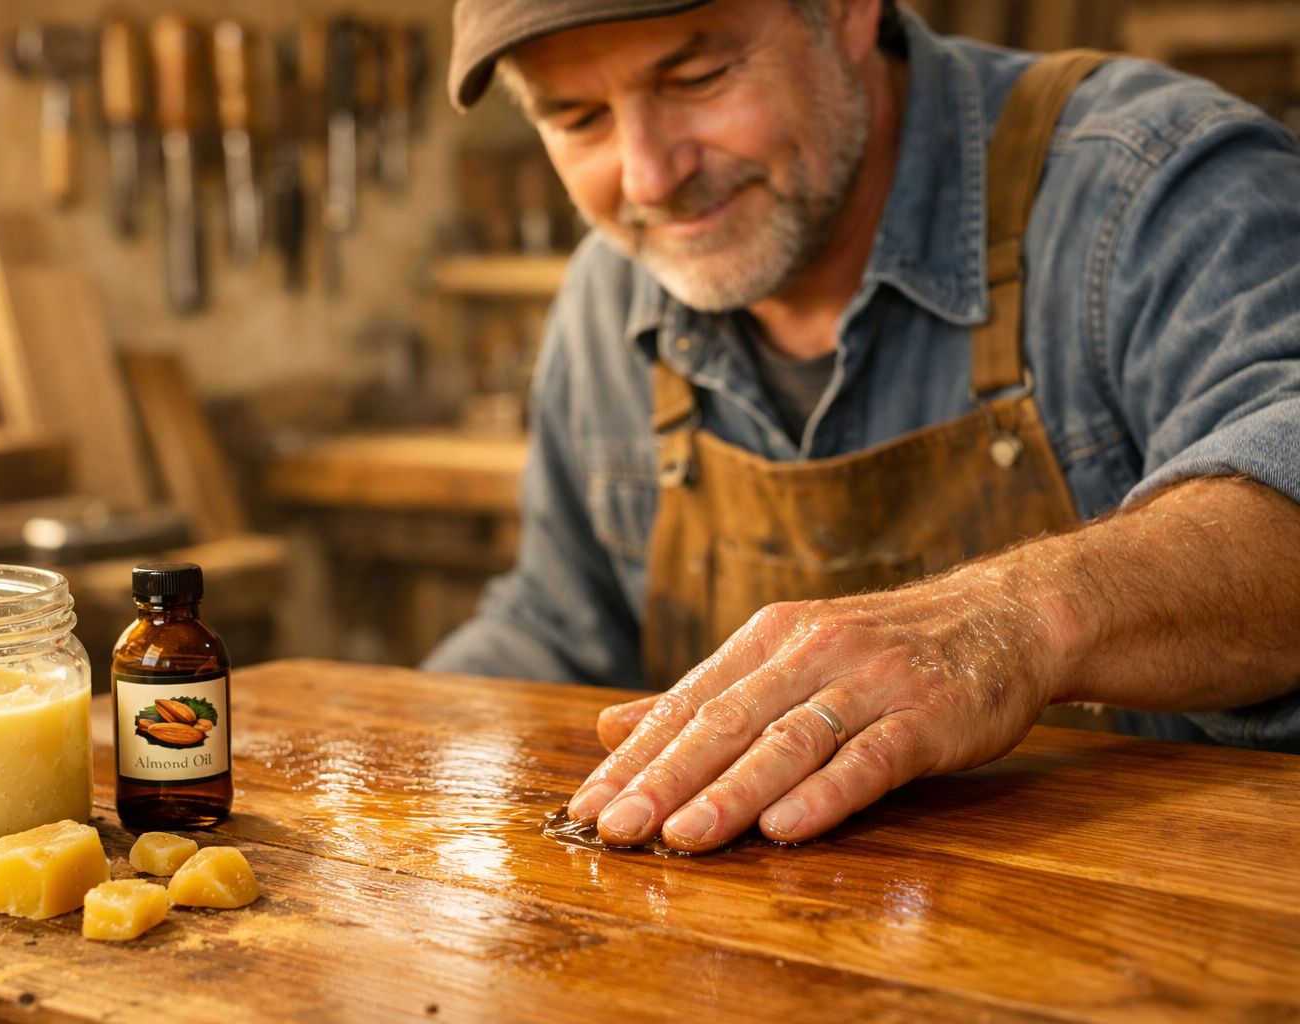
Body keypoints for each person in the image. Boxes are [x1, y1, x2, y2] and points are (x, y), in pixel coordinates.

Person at [424, 0, 1300, 854]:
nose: (649, 178)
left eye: (697, 77)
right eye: (578, 119)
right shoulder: (614, 291)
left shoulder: (1153, 183)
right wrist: (344, 759)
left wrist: (1015, 621)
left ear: (846, 12)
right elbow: (558, 626)